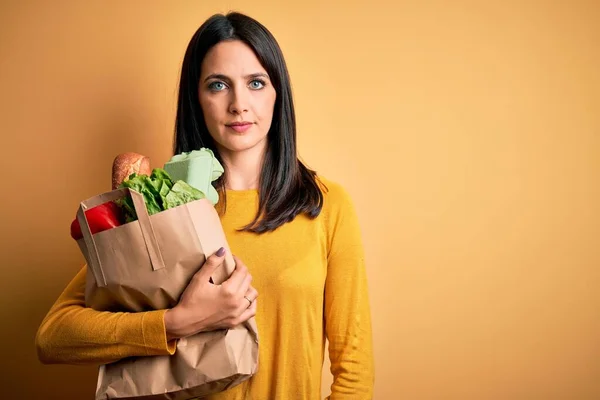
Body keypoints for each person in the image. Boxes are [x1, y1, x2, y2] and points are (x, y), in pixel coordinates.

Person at [35, 11, 374, 399]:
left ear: (278, 94)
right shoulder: (161, 208)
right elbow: (53, 337)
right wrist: (177, 322)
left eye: (256, 83)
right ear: (197, 99)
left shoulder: (326, 206)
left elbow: (355, 371)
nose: (239, 104)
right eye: (218, 85)